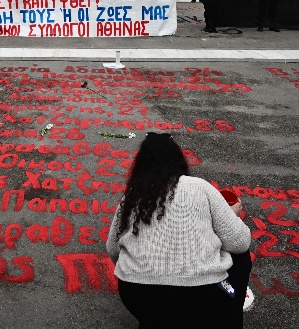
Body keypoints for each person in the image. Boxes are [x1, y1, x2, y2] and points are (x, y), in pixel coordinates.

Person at [107, 133, 252, 329]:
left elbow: (113, 249)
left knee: (159, 309)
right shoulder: (200, 187)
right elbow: (240, 242)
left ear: (140, 165)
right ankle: (228, 318)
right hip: (204, 298)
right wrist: (231, 216)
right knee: (242, 257)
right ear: (179, 161)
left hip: (139, 297)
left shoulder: (133, 194)